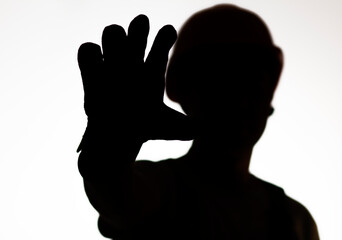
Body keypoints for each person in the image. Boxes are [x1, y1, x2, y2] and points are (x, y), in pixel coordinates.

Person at [77, 4, 319, 239]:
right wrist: (108, 149)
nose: (240, 102)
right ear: (184, 94)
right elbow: (115, 194)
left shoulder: (295, 220)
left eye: (254, 86)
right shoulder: (164, 189)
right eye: (222, 85)